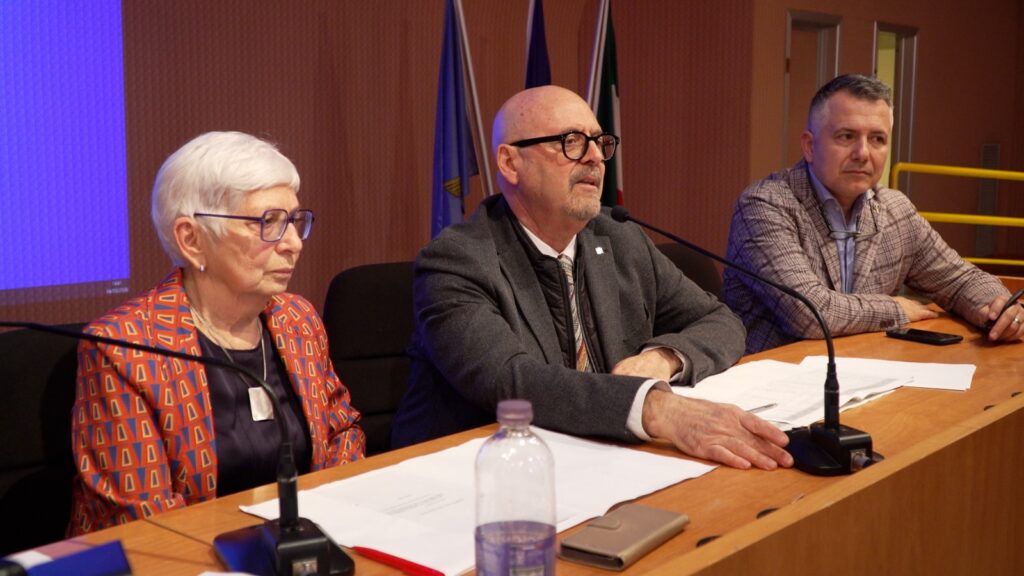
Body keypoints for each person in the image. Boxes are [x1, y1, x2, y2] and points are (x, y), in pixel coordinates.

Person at [392, 86, 792, 471]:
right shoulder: (456, 261)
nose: (596, 158)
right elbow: (516, 383)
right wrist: (654, 407)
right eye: (571, 142)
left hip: (603, 461)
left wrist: (663, 358)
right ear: (511, 163)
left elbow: (721, 322)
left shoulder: (619, 238)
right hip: (482, 477)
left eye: (600, 142)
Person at [68, 132, 365, 535]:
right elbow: (143, 517)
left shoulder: (297, 319)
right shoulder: (126, 347)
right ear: (191, 240)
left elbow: (341, 431)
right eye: (269, 222)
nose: (294, 243)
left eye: (295, 221)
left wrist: (326, 520)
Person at [724, 74, 1023, 354]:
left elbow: (959, 279)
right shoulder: (764, 205)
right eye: (846, 136)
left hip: (865, 370)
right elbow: (811, 313)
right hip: (774, 378)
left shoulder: (895, 210)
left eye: (877, 139)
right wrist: (896, 309)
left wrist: (998, 309)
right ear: (810, 146)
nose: (863, 153)